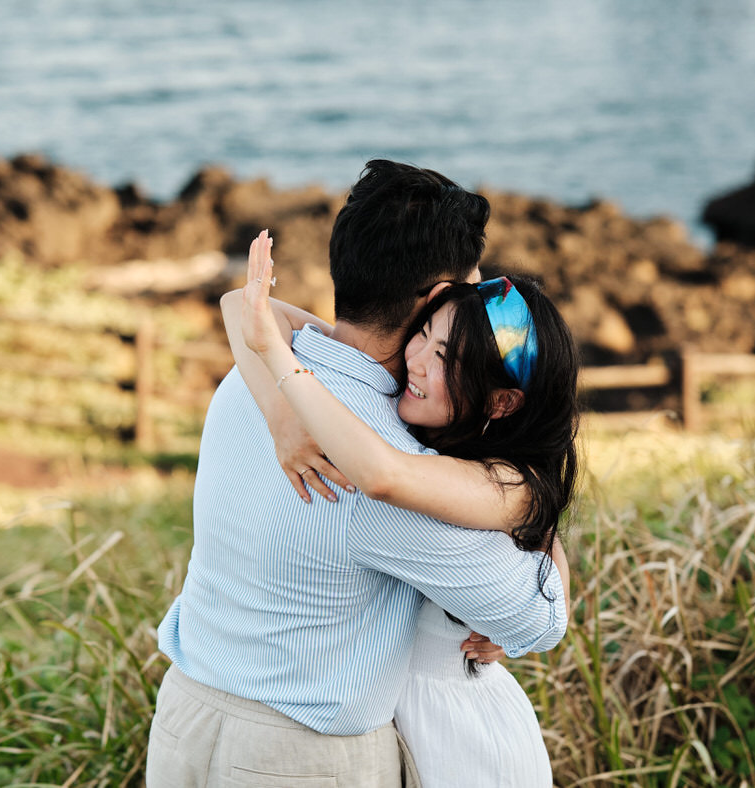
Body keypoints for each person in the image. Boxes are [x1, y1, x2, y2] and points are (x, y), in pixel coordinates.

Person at [148, 160, 568, 788]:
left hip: (182, 722)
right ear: (437, 299)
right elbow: (535, 618)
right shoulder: (386, 456)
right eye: (471, 287)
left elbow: (246, 310)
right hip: (297, 760)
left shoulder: (252, 374)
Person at [229, 229, 580, 787]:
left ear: (501, 402)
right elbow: (240, 304)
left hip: (462, 740)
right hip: (398, 723)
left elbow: (382, 476)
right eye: (424, 334)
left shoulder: (502, 482)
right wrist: (281, 413)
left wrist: (278, 365)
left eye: (444, 356)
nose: (414, 358)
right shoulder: (432, 435)